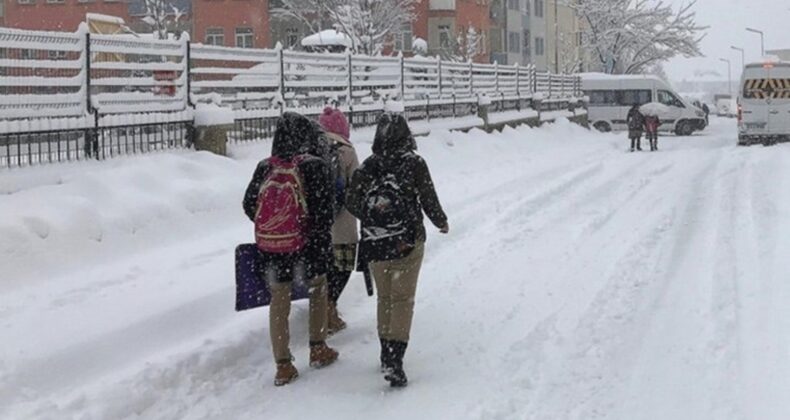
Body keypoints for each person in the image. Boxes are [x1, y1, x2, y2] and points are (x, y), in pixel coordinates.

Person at [347, 113, 448, 388]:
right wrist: (441, 221)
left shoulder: (368, 166)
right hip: (407, 240)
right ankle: (395, 358)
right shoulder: (414, 163)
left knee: (386, 298)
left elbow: (351, 201)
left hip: (375, 242)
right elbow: (428, 197)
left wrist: (373, 215)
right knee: (403, 300)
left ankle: (385, 352)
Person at [243, 112, 339, 387]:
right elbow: (324, 212)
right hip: (309, 245)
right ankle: (318, 347)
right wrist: (308, 231)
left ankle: (283, 365)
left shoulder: (265, 167)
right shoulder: (314, 166)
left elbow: (249, 204)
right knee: (318, 289)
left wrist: (275, 225)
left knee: (279, 300)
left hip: (272, 248)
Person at [318, 106, 360, 334]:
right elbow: (358, 185)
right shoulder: (346, 150)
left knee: (322, 268)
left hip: (317, 224)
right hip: (342, 223)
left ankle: (321, 309)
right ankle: (330, 308)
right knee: (342, 267)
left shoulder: (310, 148)